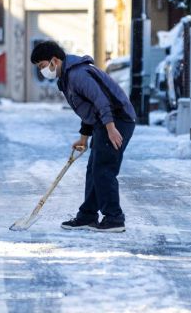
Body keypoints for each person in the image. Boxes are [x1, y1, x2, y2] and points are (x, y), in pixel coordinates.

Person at [30, 41, 137, 233]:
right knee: (94, 168)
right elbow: (89, 110)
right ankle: (87, 215)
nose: (42, 71)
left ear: (54, 60)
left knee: (104, 169)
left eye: (42, 65)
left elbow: (101, 102)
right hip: (104, 122)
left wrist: (111, 128)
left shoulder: (78, 75)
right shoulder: (67, 77)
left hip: (117, 119)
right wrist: (84, 138)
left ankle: (114, 218)